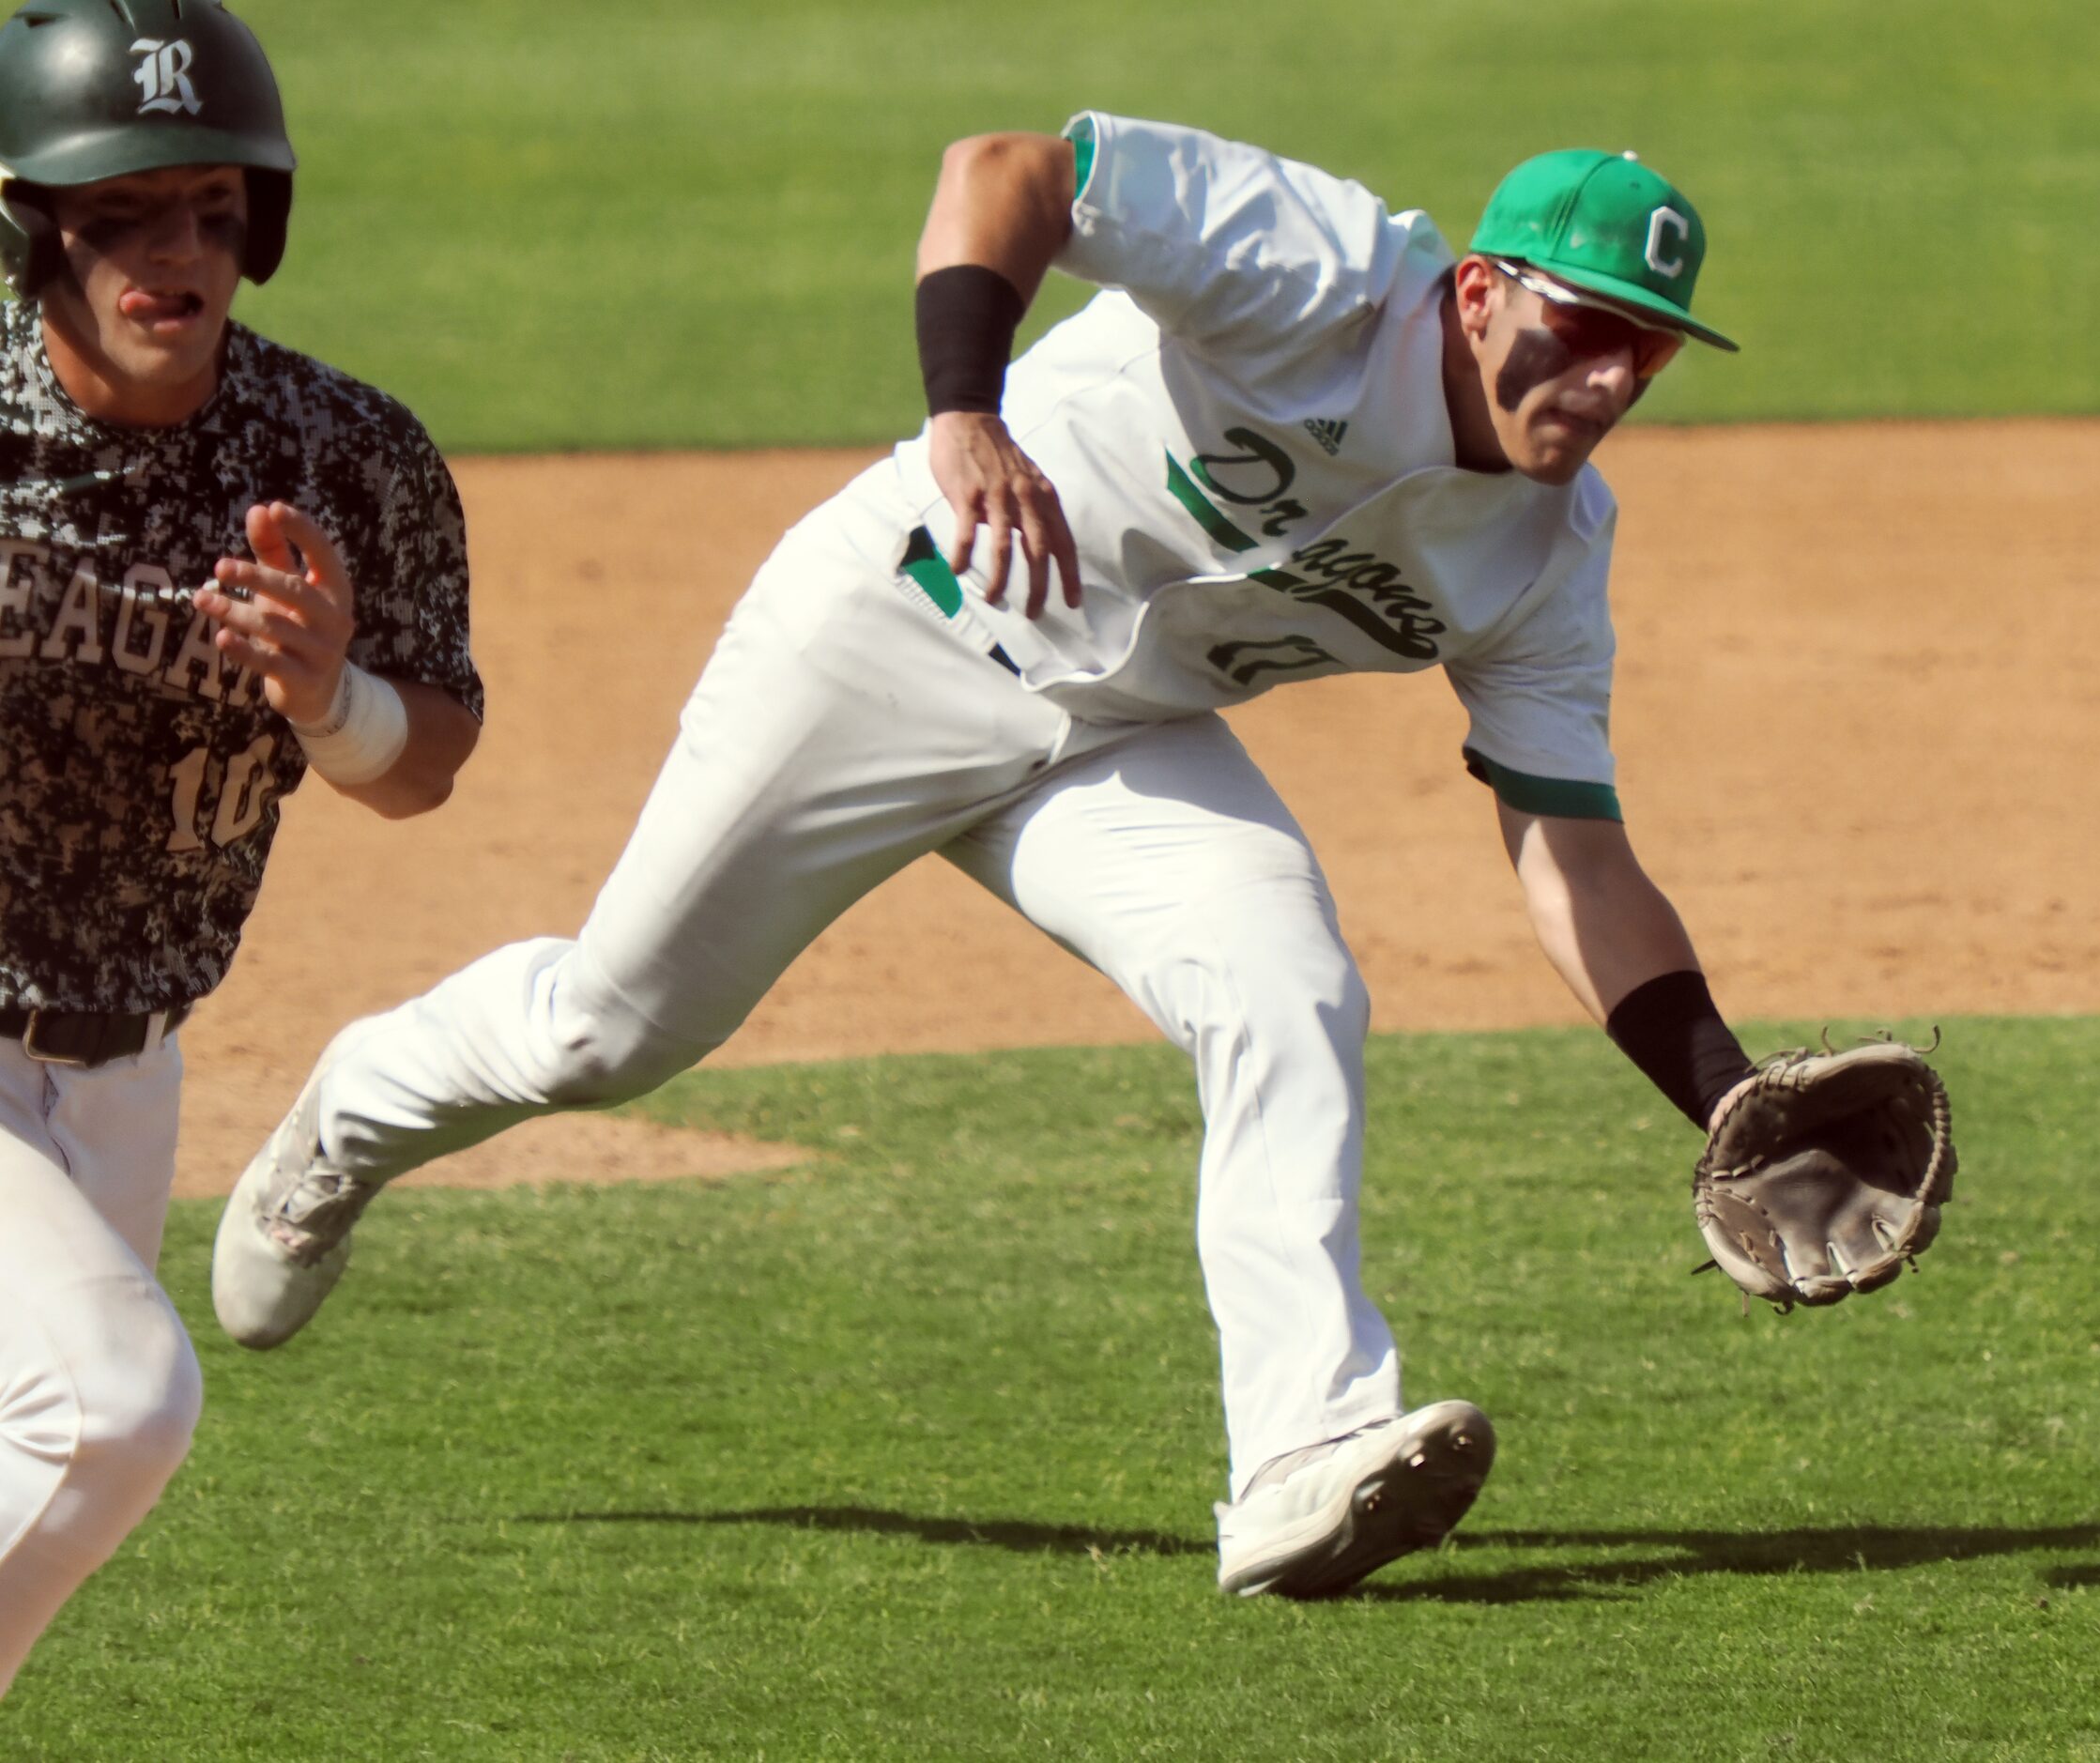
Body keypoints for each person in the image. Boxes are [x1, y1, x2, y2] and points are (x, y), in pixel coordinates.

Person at [213, 114, 1757, 1601]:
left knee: (1286, 981)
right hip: (900, 629)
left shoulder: (1549, 550)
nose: (1611, 374)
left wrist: (1729, 1094)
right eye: (1581, 325)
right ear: (1479, 293)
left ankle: (1304, 1446)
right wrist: (964, 413)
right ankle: (349, 1116)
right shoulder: (1325, 270)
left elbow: (1573, 852)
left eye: (1649, 348)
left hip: (1119, 735)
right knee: (604, 1031)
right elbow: (1009, 171)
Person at [0, 0, 483, 1694]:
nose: (173, 252)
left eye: (209, 206)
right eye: (121, 212)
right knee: (118, 1405)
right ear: (35, 226)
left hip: (127, 1076)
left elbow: (429, 757)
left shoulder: (344, 457)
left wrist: (332, 696)